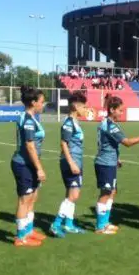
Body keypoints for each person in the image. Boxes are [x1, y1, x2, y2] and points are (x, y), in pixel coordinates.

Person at [94, 96, 139, 234]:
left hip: (110, 162)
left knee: (112, 192)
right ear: (112, 110)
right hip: (105, 163)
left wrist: (117, 158)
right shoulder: (110, 125)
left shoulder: (109, 123)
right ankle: (100, 226)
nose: (121, 113)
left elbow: (108, 144)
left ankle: (105, 222)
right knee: (105, 193)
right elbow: (127, 142)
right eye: (120, 110)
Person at [11, 86, 48, 247]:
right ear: (33, 102)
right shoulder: (27, 120)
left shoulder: (32, 118)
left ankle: (28, 230)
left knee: (33, 197)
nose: (43, 104)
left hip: (31, 163)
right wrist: (39, 168)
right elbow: (30, 145)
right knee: (24, 200)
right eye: (41, 102)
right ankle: (20, 237)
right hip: (23, 164)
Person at [51, 92, 88, 237]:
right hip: (70, 163)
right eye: (84, 107)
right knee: (73, 195)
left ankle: (69, 224)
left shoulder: (75, 122)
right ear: (76, 106)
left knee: (71, 194)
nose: (86, 109)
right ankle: (56, 224)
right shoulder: (68, 123)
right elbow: (63, 144)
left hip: (76, 162)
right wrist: (71, 163)